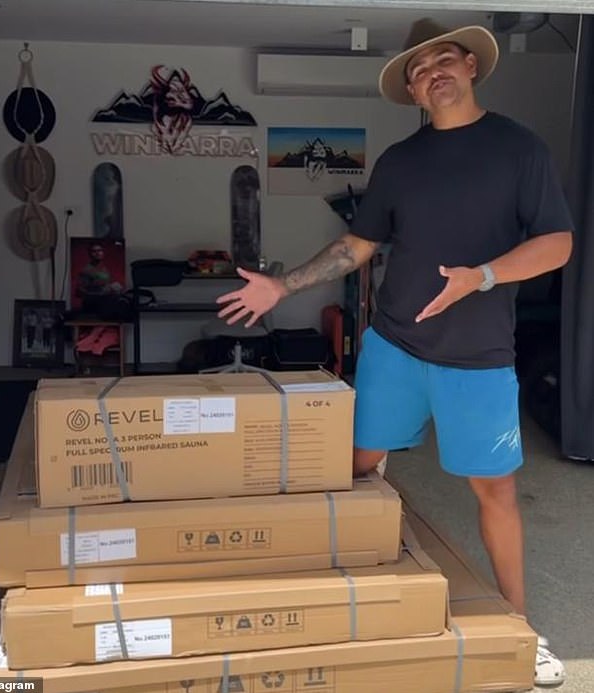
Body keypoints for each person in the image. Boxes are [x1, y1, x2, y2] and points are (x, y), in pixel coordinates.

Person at [216, 18, 573, 688]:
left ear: (470, 66)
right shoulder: (399, 164)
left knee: (494, 489)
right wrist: (281, 285)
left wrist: (483, 276)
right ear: (411, 92)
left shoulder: (519, 150)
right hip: (395, 347)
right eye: (417, 71)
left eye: (442, 60)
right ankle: (351, 596)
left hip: (480, 357)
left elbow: (558, 243)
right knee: (357, 467)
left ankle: (521, 631)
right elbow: (358, 246)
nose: (431, 74)